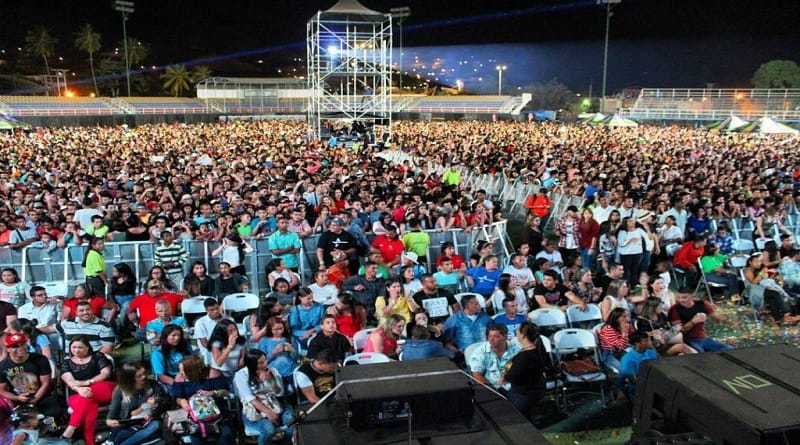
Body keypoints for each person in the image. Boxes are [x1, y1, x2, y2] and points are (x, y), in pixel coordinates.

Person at [60, 335, 116, 444]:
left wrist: (87, 383)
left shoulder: (98, 356)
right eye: (73, 347)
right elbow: (69, 380)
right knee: (87, 401)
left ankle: (71, 428)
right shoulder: (66, 362)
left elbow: (105, 373)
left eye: (80, 347)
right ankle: (89, 441)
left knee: (87, 396)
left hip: (103, 388)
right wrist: (78, 389)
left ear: (87, 347)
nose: (76, 350)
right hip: (77, 393)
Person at [233, 349, 293, 444]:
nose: (265, 364)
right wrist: (268, 412)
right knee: (269, 430)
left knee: (291, 424)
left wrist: (271, 381)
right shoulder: (241, 375)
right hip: (254, 410)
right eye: (260, 363)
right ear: (252, 364)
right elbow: (250, 398)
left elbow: (280, 393)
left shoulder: (272, 371)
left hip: (275, 404)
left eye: (265, 360)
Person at [173, 355, 235, 445]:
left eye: (183, 370)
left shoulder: (212, 373)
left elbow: (225, 392)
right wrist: (182, 401)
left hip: (216, 412)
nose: (180, 373)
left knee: (226, 435)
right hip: (194, 416)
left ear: (192, 370)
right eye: (180, 369)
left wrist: (213, 393)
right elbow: (177, 397)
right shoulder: (180, 378)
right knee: (195, 435)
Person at [107, 360, 171, 445]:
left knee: (156, 425)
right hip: (128, 424)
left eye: (144, 373)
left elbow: (167, 401)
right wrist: (110, 420)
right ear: (130, 378)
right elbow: (113, 409)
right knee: (120, 434)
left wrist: (157, 402)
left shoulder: (153, 385)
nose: (144, 376)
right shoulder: (121, 389)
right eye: (139, 376)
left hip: (148, 422)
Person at [0, 333, 61, 420]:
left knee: (53, 416)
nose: (20, 348)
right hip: (17, 401)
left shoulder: (40, 359)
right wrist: (17, 397)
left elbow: (46, 383)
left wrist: (35, 400)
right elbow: (1, 390)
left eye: (22, 344)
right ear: (8, 349)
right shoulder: (2, 366)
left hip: (42, 398)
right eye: (15, 346)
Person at [497, 321, 547, 421]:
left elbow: (512, 376)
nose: (516, 334)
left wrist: (503, 377)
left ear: (523, 335)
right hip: (536, 390)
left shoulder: (525, 357)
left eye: (518, 332)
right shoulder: (538, 349)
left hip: (523, 394)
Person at [743, 254, 798, 323]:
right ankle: (786, 314)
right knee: (775, 293)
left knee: (772, 298)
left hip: (762, 290)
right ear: (750, 262)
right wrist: (762, 273)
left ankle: (777, 319)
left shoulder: (759, 270)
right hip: (754, 292)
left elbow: (766, 280)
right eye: (756, 262)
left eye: (760, 262)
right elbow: (754, 283)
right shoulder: (747, 270)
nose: (758, 263)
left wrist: (773, 278)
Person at [467, 324, 521, 392]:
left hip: (514, 387)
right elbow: (477, 375)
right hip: (492, 388)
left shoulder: (516, 350)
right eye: (490, 336)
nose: (491, 339)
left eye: (496, 337)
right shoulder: (480, 351)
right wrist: (493, 392)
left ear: (505, 337)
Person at [617, 332, 658, 399]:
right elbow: (634, 380)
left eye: (649, 340)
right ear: (638, 344)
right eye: (646, 341)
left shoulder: (651, 352)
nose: (650, 342)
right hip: (639, 389)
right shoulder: (628, 359)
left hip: (653, 382)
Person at [17, 286, 60, 352]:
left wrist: (59, 299)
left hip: (50, 333)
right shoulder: (23, 309)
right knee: (40, 339)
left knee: (44, 338)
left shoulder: (54, 305)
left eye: (45, 294)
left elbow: (60, 321)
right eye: (40, 295)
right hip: (31, 334)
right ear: (33, 297)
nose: (44, 296)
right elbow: (23, 326)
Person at [150, 324, 193, 388]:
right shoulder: (157, 354)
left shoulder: (185, 346)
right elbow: (162, 376)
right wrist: (178, 385)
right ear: (165, 337)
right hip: (171, 380)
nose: (177, 338)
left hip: (189, 375)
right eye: (173, 335)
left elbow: (193, 363)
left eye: (179, 335)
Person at [257, 316, 297, 382]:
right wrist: (274, 352)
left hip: (290, 370)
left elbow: (296, 358)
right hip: (273, 372)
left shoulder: (290, 339)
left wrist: (292, 350)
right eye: (275, 329)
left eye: (281, 328)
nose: (279, 331)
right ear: (270, 329)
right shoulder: (264, 341)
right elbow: (261, 361)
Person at [193, 298, 231, 366]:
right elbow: (204, 343)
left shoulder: (228, 319)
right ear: (206, 310)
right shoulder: (200, 323)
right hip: (209, 352)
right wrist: (220, 351)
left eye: (217, 308)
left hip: (227, 349)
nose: (216, 311)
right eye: (212, 310)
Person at [598, 308, 634, 373]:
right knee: (625, 370)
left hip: (622, 351)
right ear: (617, 319)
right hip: (610, 353)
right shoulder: (608, 329)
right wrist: (624, 332)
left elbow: (633, 336)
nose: (628, 318)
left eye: (628, 316)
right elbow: (620, 346)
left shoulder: (623, 325)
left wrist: (629, 327)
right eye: (624, 316)